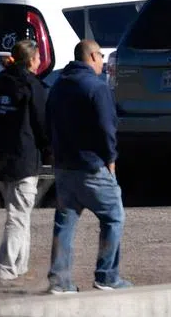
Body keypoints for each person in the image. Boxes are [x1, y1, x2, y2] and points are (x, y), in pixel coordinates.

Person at [45, 40, 130, 294]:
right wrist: (111, 158)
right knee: (114, 217)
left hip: (64, 166)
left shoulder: (58, 85)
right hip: (92, 165)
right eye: (101, 56)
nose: (103, 61)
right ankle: (107, 276)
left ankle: (59, 280)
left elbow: (47, 121)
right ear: (92, 55)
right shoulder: (96, 87)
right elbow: (107, 127)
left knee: (65, 221)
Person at [0, 40, 50, 285]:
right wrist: (51, 151)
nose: (40, 62)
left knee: (20, 213)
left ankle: (20, 266)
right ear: (31, 60)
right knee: (17, 215)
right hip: (24, 161)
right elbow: (43, 125)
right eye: (38, 58)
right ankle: (6, 269)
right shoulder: (31, 86)